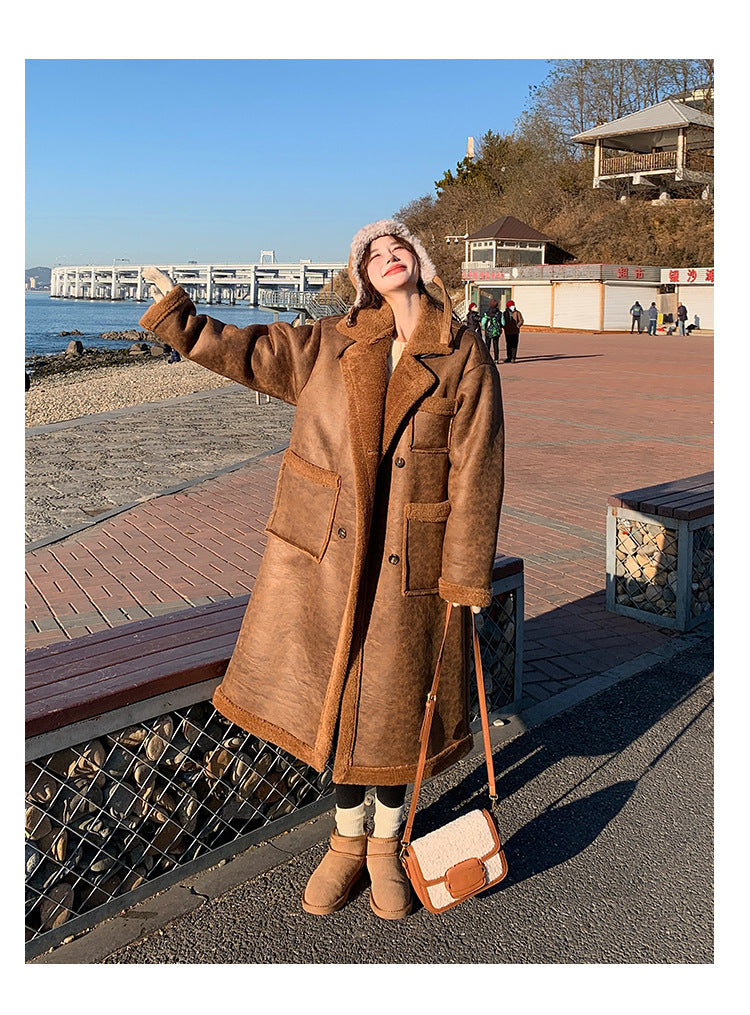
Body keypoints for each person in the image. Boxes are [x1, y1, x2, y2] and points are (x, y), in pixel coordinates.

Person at [140, 219, 504, 922]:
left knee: (395, 707)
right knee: (332, 699)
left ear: (420, 263)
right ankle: (344, 841)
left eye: (399, 247)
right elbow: (244, 352)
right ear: (362, 272)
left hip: (412, 559)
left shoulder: (461, 351)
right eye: (374, 252)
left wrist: (464, 576)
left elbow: (479, 466)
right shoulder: (328, 341)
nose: (388, 256)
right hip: (327, 552)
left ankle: (385, 847)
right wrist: (179, 318)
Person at [481, 298, 503, 362]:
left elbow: (483, 322)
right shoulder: (499, 313)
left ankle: (487, 358)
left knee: (487, 345)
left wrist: (483, 328)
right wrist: (500, 326)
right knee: (496, 345)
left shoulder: (487, 313)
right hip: (496, 331)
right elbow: (503, 322)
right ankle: (496, 359)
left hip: (488, 331)